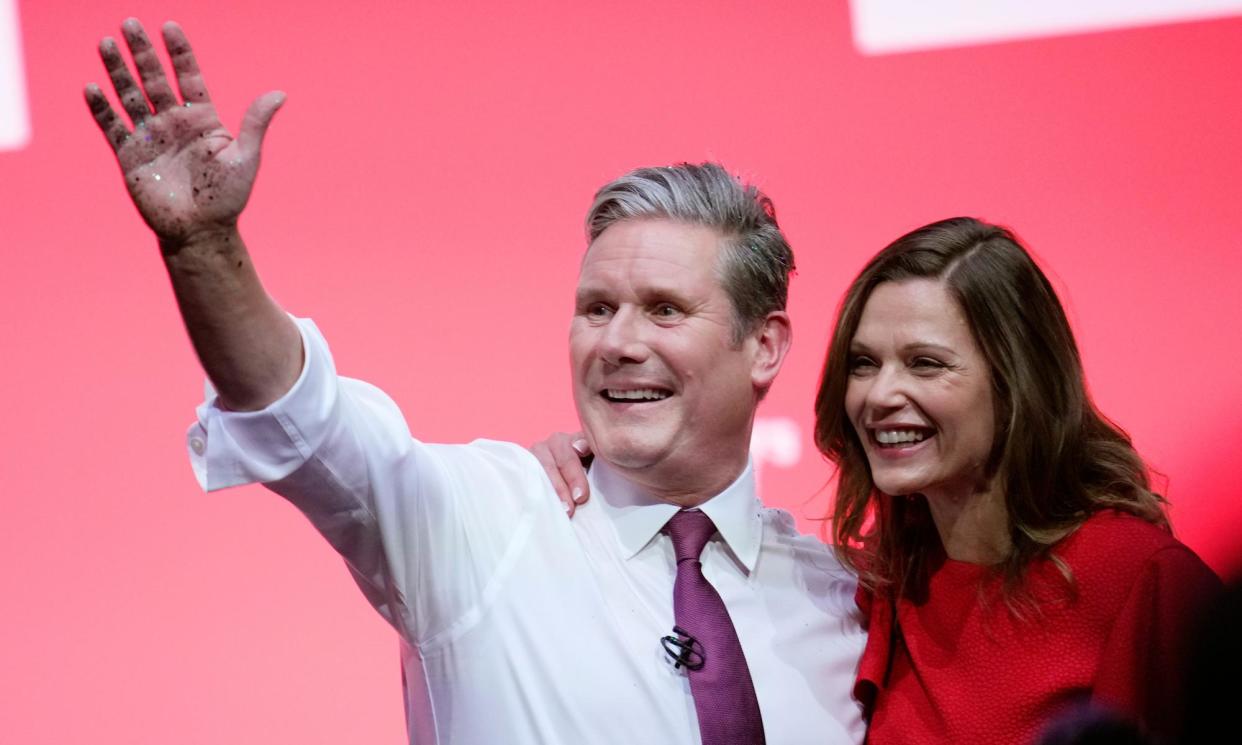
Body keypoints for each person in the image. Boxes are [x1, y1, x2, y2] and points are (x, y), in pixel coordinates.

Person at [85, 19, 866, 745]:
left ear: (763, 346)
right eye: (597, 308)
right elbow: (304, 421)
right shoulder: (479, 523)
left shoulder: (850, 608)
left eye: (664, 310)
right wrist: (206, 250)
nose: (619, 342)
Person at [540, 217, 1222, 744]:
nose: (880, 394)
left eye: (926, 363)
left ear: (1018, 383)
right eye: (864, 363)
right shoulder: (881, 590)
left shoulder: (1139, 581)